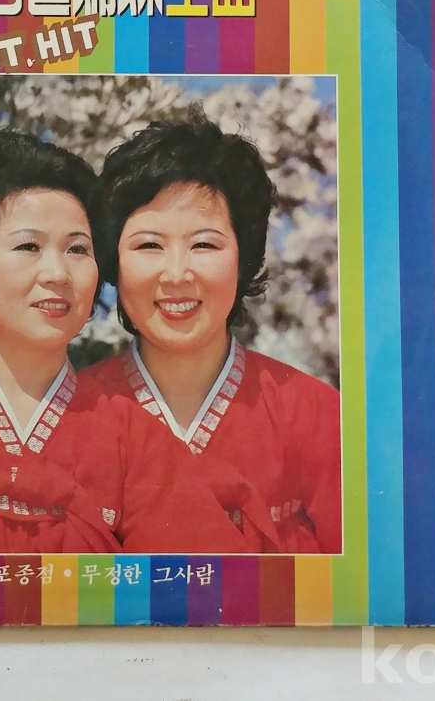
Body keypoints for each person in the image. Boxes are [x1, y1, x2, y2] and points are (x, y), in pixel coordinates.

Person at [0, 128, 256, 555]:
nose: (58, 274)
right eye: (28, 246)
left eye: (77, 250)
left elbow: (208, 580)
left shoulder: (137, 440)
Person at [84, 108, 342, 554]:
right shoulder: (73, 415)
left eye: (204, 244)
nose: (176, 274)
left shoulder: (315, 416)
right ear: (114, 260)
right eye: (149, 245)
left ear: (243, 257)